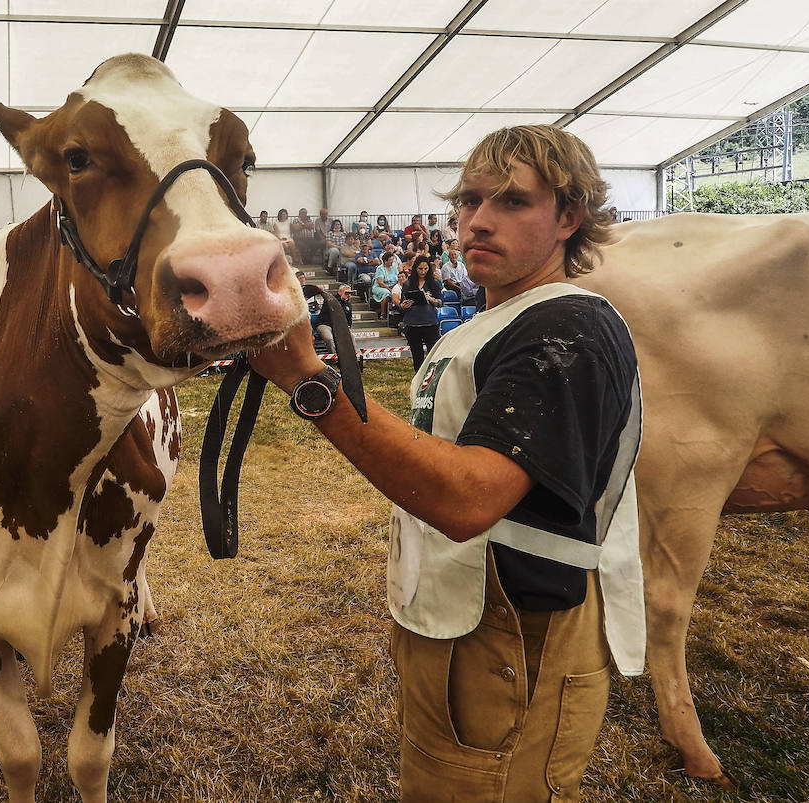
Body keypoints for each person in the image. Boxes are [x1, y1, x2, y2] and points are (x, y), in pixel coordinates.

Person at [247, 124, 642, 803]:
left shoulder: (566, 327)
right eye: (468, 200)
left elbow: (469, 498)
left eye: (512, 202)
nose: (477, 221)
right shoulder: (498, 323)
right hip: (464, 616)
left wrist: (312, 384)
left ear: (568, 218)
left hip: (519, 634)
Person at [396, 254, 443, 369]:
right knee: (417, 355)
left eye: (425, 269)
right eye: (420, 269)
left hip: (430, 322)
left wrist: (432, 300)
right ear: (415, 269)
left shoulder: (434, 283)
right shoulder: (408, 284)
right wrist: (404, 305)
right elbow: (401, 305)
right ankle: (418, 376)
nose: (423, 272)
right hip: (413, 323)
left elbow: (440, 302)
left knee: (433, 353)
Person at [313, 283, 353, 354]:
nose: (348, 295)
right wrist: (341, 300)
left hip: (338, 326)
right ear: (340, 292)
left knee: (351, 336)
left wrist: (348, 327)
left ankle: (355, 355)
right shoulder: (330, 299)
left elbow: (349, 318)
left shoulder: (348, 304)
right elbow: (334, 311)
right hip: (324, 324)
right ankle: (334, 357)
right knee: (329, 338)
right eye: (346, 293)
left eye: (350, 293)